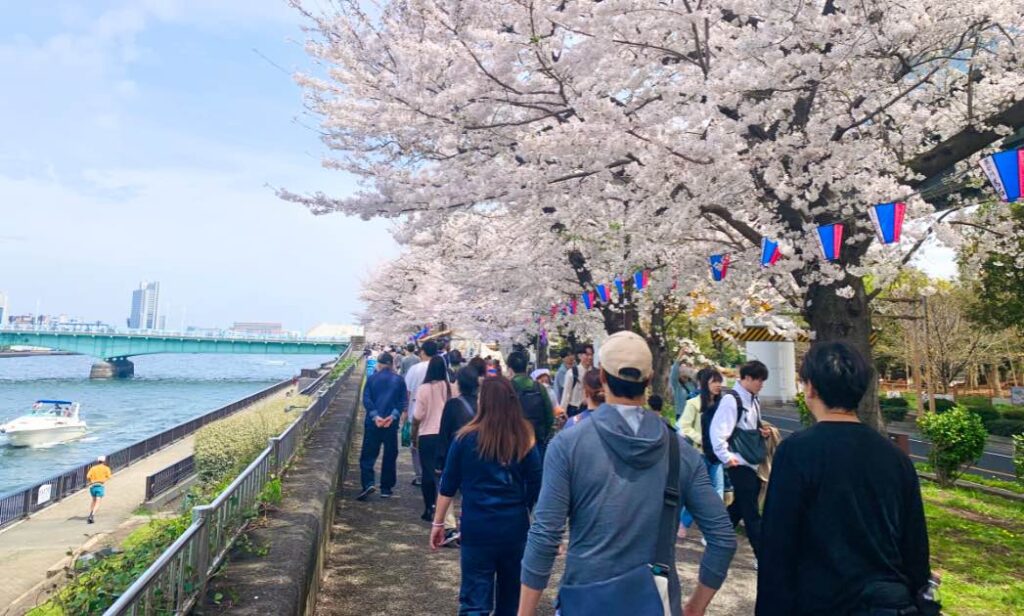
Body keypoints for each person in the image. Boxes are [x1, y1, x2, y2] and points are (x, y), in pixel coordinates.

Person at [519, 331, 736, 616]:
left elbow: (545, 536)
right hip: (656, 601)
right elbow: (722, 537)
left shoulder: (569, 444)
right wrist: (695, 608)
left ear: (604, 378)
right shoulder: (679, 450)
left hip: (586, 596)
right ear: (648, 381)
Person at [757, 342, 934, 616]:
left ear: (811, 387)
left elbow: (778, 544)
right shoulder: (895, 457)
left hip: (822, 600)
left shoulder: (796, 451)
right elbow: (915, 547)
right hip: (888, 603)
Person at [433, 377, 543, 616]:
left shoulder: (464, 438)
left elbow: (448, 484)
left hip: (477, 526)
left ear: (483, 402)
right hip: (514, 527)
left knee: (474, 600)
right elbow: (537, 480)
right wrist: (524, 504)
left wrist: (438, 523)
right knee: (511, 600)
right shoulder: (525, 437)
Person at [709, 360, 771, 565]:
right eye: (757, 379)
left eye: (762, 380)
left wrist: (762, 430)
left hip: (750, 460)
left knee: (740, 505)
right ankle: (762, 556)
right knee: (751, 511)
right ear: (745, 378)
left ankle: (715, 535)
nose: (761, 384)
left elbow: (750, 425)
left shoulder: (753, 399)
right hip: (739, 461)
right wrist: (727, 457)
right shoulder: (731, 400)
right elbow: (718, 431)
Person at [677, 367, 726, 539]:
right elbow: (683, 426)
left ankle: (712, 531)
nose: (718, 385)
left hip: (718, 455)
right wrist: (701, 439)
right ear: (705, 384)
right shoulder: (694, 403)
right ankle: (683, 522)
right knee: (698, 493)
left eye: (719, 381)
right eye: (714, 382)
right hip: (700, 454)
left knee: (718, 493)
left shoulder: (723, 404)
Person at [358, 352, 407, 500]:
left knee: (368, 454)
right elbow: (402, 402)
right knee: (390, 455)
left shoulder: (372, 379)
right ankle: (386, 487)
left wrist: (375, 416)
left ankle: (368, 483)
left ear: (378, 365)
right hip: (390, 425)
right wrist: (392, 417)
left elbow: (366, 399)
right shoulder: (399, 380)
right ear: (392, 365)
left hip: (373, 423)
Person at [414, 355, 453, 521]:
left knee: (428, 473)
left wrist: (413, 434)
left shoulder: (423, 388)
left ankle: (429, 507)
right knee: (444, 472)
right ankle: (445, 511)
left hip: (427, 435)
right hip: (445, 435)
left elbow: (417, 415)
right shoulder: (449, 387)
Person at [507, 351, 554, 457]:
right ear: (526, 367)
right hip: (537, 440)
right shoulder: (539, 388)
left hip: (514, 442)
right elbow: (549, 416)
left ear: (509, 369)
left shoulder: (508, 388)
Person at [406, 340, 439, 487]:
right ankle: (433, 472)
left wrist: (404, 410)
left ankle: (420, 475)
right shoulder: (441, 367)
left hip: (416, 408)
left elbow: (407, 391)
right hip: (437, 411)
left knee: (415, 444)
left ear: (423, 352)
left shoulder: (415, 369)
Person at [559, 346, 591, 417]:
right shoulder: (571, 373)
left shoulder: (595, 372)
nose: (590, 357)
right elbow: (566, 394)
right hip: (575, 410)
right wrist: (562, 412)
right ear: (579, 356)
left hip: (590, 409)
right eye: (587, 355)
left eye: (591, 354)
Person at [86, 455, 112, 524]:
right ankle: (92, 515)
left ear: (98, 461)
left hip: (93, 486)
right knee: (98, 502)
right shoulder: (106, 468)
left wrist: (91, 480)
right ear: (104, 461)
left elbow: (88, 476)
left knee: (93, 500)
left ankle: (90, 513)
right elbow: (109, 477)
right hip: (100, 486)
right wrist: (103, 479)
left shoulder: (93, 468)